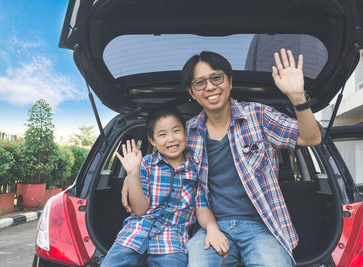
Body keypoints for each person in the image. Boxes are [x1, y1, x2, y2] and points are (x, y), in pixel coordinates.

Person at [123, 49, 321, 266]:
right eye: (200, 83)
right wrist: (131, 176)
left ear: (229, 81)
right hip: (211, 226)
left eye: (216, 78)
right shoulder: (187, 133)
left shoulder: (258, 116)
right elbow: (164, 163)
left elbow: (311, 137)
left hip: (264, 227)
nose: (210, 87)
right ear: (192, 91)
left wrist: (297, 97)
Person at [101, 108, 203, 267]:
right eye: (162, 135)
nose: (171, 139)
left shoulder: (197, 168)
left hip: (172, 239)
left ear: (185, 132)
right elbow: (140, 210)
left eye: (176, 131)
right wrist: (133, 174)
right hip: (135, 233)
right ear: (153, 140)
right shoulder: (147, 163)